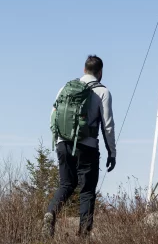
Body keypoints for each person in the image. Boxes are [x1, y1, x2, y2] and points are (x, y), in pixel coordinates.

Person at [43, 55, 116, 238]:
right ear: (100, 72)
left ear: (84, 70)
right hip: (87, 147)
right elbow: (108, 125)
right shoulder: (103, 92)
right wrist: (112, 152)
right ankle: (83, 235)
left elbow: (52, 115)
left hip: (62, 143)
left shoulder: (65, 88)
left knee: (66, 184)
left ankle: (51, 212)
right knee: (87, 191)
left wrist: (60, 139)